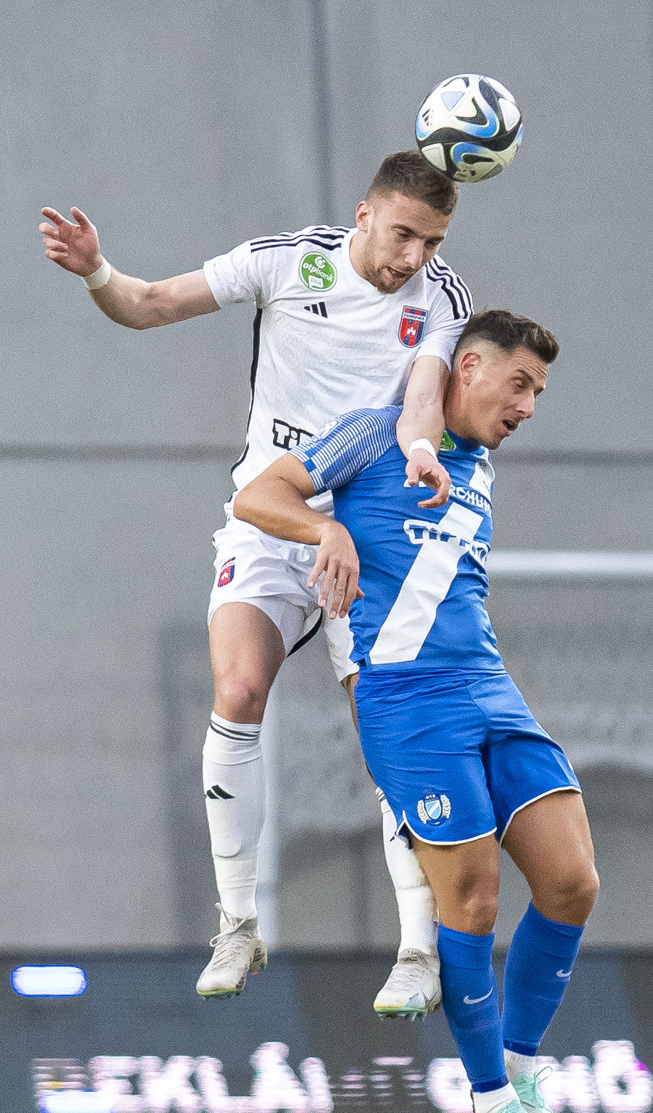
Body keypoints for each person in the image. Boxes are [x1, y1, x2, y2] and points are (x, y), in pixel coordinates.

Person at [40, 154, 474, 1013]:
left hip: (371, 532)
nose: (413, 258)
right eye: (403, 235)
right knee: (237, 690)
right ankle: (238, 926)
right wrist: (96, 270)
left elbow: (425, 396)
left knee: (387, 734)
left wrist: (422, 449)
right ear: (363, 215)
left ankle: (418, 950)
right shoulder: (288, 261)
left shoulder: (441, 296)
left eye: (431, 242)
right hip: (276, 512)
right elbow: (150, 303)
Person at [231, 310, 597, 1113]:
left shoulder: (478, 467)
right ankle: (490, 1100)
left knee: (572, 882)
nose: (529, 407)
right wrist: (327, 529)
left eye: (539, 393)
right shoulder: (373, 435)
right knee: (470, 903)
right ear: (467, 368)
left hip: (489, 688)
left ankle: (522, 1070)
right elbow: (258, 496)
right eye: (520, 384)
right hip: (406, 701)